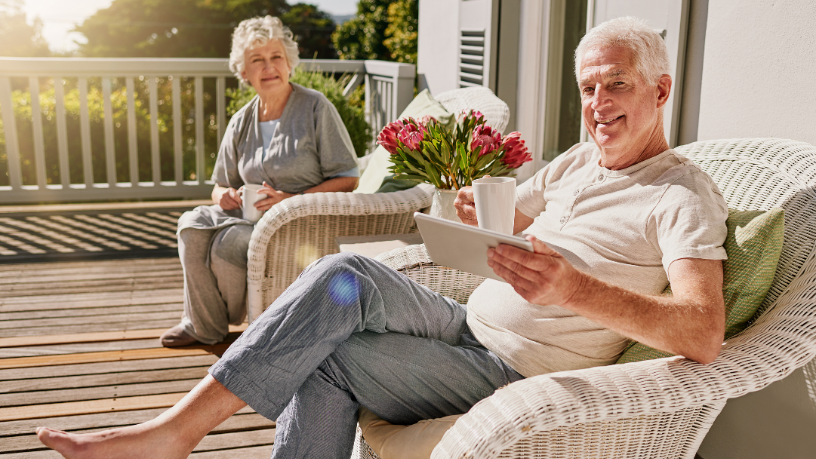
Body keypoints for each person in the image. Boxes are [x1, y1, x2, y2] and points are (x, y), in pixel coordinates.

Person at [37, 16, 729, 459]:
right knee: (347, 278)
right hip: (464, 319)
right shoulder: (579, 159)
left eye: (616, 85)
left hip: (513, 364)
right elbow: (513, 220)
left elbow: (702, 331)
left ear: (661, 91)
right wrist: (474, 214)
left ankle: (176, 433)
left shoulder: (680, 194)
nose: (599, 105)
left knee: (326, 355)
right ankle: (176, 431)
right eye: (588, 88)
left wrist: (572, 287)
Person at [160, 16, 360, 348]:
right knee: (191, 225)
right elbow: (219, 184)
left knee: (228, 242)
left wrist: (289, 198)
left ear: (289, 63)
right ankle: (203, 325)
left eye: (276, 57)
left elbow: (348, 178)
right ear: (244, 73)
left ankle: (235, 322)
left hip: (298, 221)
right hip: (249, 216)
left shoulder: (315, 108)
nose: (269, 67)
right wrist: (224, 195)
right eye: (257, 60)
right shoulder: (242, 120)